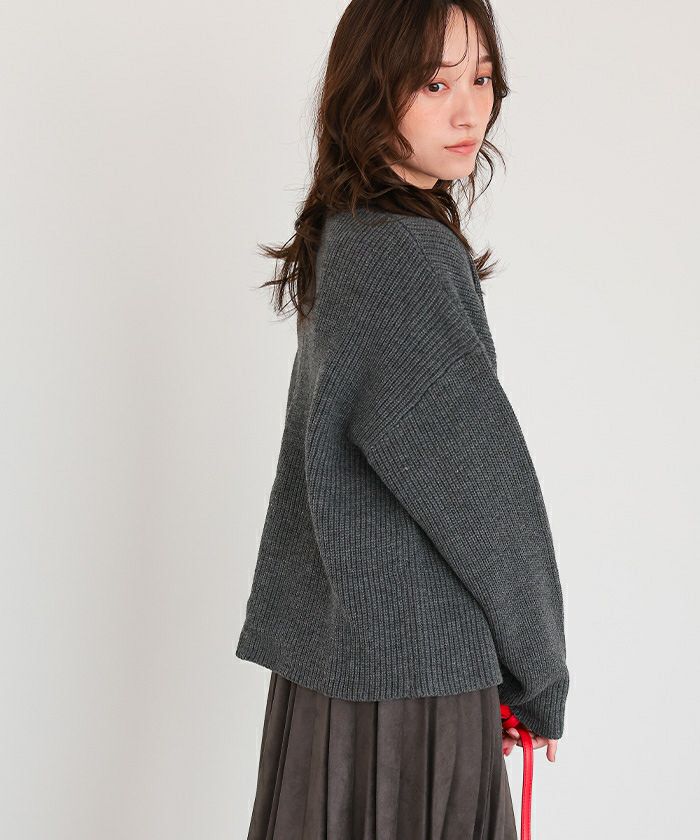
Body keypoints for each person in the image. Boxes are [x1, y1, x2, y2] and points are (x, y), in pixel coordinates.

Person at [235, 1, 570, 837]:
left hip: (339, 667)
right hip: (413, 684)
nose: (469, 111)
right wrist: (540, 672)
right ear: (369, 90)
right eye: (433, 83)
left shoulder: (349, 236)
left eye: (481, 79)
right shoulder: (403, 255)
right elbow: (482, 492)